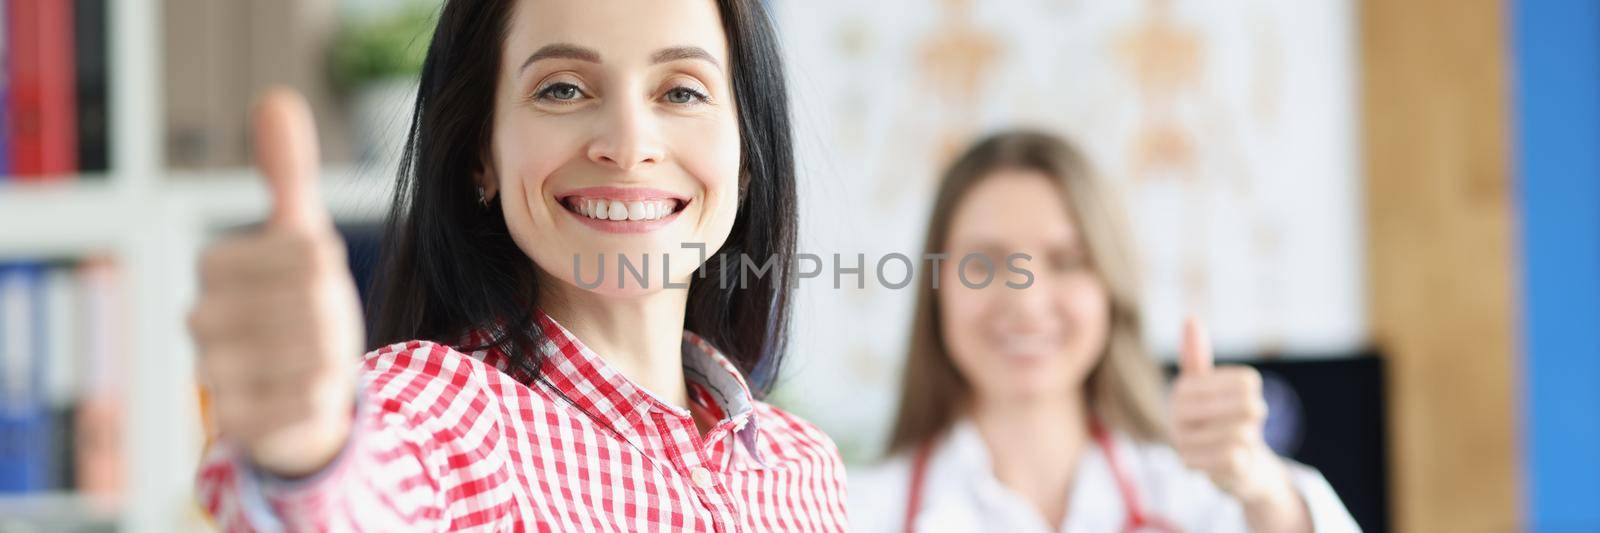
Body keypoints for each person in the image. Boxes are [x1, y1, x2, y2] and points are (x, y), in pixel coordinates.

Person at [187, 0, 848, 530]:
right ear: (482, 153)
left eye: (681, 92)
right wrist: (307, 457)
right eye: (561, 88)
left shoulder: (805, 465)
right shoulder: (444, 417)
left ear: (747, 158)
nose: (626, 144)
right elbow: (356, 497)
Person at [850, 131, 1357, 532]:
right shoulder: (857, 513)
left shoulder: (1199, 498)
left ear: (1112, 287)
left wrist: (1263, 489)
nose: (1026, 302)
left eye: (1067, 261)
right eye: (984, 263)